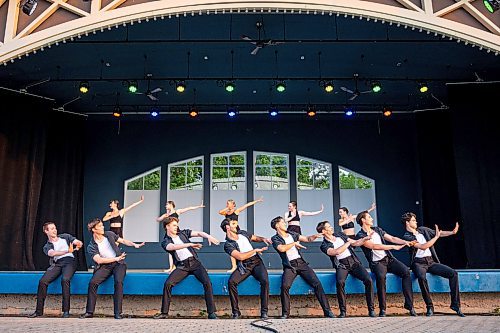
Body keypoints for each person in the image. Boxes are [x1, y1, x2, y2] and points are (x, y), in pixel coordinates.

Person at [154, 216, 219, 319]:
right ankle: (164, 313)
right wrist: (189, 244)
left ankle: (211, 312)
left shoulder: (183, 233)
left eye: (177, 225)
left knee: (207, 283)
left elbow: (198, 233)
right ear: (167, 226)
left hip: (195, 264)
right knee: (168, 284)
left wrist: (208, 236)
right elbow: (172, 247)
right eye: (174, 225)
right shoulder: (165, 241)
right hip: (182, 266)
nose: (176, 227)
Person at [401, 212, 465, 317]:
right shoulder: (407, 236)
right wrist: (435, 237)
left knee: (453, 273)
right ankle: (429, 306)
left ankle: (455, 305)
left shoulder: (422, 230)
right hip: (418, 263)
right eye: (413, 220)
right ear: (407, 223)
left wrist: (452, 232)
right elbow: (423, 246)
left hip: (430, 262)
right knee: (421, 278)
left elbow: (438, 233)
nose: (416, 222)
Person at [270, 216, 334, 319]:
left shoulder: (292, 234)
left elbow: (307, 239)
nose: (285, 224)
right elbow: (281, 248)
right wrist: (294, 243)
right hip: (290, 265)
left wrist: (314, 236)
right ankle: (285, 313)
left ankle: (327, 311)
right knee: (285, 286)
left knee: (317, 283)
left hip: (301, 263)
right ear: (277, 225)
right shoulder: (275, 238)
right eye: (283, 222)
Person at [80, 218, 145, 319]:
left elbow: (122, 240)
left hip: (119, 264)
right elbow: (99, 260)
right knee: (93, 283)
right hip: (105, 266)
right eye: (100, 226)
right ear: (93, 229)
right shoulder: (91, 245)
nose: (103, 227)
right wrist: (115, 258)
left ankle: (118, 313)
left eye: (102, 225)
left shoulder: (109, 234)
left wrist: (134, 244)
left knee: (118, 282)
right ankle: (89, 312)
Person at [355, 211, 417, 317]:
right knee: (381, 277)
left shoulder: (377, 230)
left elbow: (392, 238)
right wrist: (393, 247)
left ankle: (409, 305)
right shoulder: (360, 235)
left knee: (406, 272)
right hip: (377, 263)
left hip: (389, 259)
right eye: (369, 217)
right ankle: (382, 309)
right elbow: (374, 246)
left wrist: (404, 242)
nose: (372, 219)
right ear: (363, 220)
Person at [316, 221, 375, 318]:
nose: (331, 228)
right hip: (342, 265)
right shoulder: (324, 245)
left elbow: (355, 243)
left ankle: (371, 309)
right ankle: (343, 311)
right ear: (323, 231)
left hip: (353, 262)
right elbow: (336, 252)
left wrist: (364, 239)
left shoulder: (339, 235)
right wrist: (348, 243)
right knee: (340, 283)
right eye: (329, 227)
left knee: (368, 280)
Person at [28, 222, 83, 318]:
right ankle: (38, 311)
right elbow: (52, 253)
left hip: (69, 261)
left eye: (55, 228)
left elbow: (77, 242)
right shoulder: (47, 246)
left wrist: (78, 244)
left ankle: (66, 311)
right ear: (46, 231)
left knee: (65, 280)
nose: (55, 230)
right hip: (57, 263)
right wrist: (67, 250)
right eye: (52, 229)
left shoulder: (65, 237)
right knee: (43, 282)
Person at [221, 218, 270, 319]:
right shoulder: (228, 244)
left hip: (256, 262)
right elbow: (240, 257)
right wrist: (255, 250)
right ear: (227, 227)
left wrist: (264, 239)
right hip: (245, 265)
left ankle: (264, 312)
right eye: (233, 224)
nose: (236, 225)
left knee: (265, 281)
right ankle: (236, 312)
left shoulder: (242, 233)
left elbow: (255, 238)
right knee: (231, 282)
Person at [157, 200, 205, 273]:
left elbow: (188, 208)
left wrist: (198, 206)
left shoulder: (177, 212)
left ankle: (181, 265)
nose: (165, 206)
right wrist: (163, 217)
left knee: (180, 248)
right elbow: (158, 219)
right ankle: (171, 267)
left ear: (171, 204)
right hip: (170, 233)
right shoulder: (166, 214)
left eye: (167, 204)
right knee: (171, 251)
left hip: (177, 232)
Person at [219, 197, 263, 272]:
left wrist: (257, 201)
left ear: (233, 205)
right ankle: (234, 266)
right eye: (227, 203)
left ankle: (246, 261)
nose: (227, 205)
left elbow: (247, 205)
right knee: (232, 249)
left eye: (229, 204)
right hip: (229, 231)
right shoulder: (226, 213)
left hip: (236, 230)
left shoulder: (236, 211)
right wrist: (227, 208)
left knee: (243, 246)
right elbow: (220, 212)